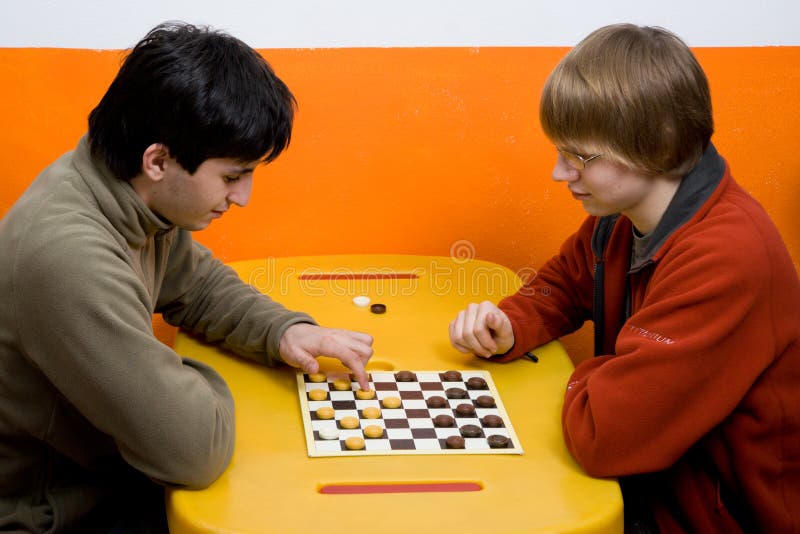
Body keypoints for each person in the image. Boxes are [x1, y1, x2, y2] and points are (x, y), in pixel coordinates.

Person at [0, 22, 373, 532]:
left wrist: (282, 329)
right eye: (232, 176)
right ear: (158, 160)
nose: (243, 198)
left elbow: (195, 284)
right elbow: (192, 451)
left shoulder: (124, 189)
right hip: (53, 514)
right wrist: (187, 386)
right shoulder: (68, 256)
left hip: (111, 474)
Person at [449, 24, 799, 533]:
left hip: (713, 518)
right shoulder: (622, 216)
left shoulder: (727, 255)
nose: (559, 174)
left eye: (579, 157)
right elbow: (563, 285)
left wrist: (593, 381)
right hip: (648, 484)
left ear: (655, 145)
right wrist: (510, 322)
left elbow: (605, 436)